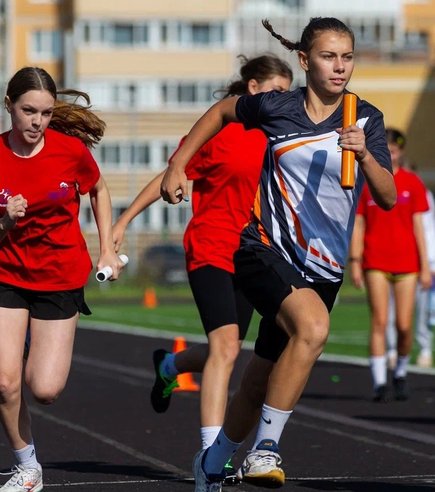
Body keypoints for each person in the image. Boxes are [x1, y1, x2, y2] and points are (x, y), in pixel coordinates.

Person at [159, 17, 396, 492]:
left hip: (323, 270)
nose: (340, 67)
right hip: (263, 248)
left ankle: (213, 460)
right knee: (313, 329)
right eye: (329, 57)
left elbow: (388, 198)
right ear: (305, 61)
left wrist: (366, 156)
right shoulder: (275, 107)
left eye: (347, 57)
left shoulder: (364, 117)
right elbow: (223, 111)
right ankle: (265, 449)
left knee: (258, 379)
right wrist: (179, 164)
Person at [111, 56, 292, 475]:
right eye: (277, 91)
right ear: (251, 88)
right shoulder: (220, 130)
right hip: (210, 246)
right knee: (226, 349)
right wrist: (124, 220)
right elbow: (170, 175)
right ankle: (212, 458)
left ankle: (168, 366)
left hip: (254, 254)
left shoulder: (279, 134)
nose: (285, 100)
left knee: (223, 350)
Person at [0, 66, 123, 492]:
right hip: (7, 276)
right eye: (28, 111)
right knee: (4, 382)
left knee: (45, 389)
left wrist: (106, 246)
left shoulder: (70, 151)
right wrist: (4, 222)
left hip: (60, 276)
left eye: (47, 113)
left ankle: (37, 344)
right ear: (9, 107)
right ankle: (27, 467)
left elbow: (99, 189)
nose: (37, 122)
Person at [350, 129, 431, 402]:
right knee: (379, 321)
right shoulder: (365, 182)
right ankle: (379, 382)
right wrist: (355, 261)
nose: (391, 153)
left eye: (395, 149)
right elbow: (358, 223)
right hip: (375, 261)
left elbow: (420, 227)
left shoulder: (413, 183)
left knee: (405, 326)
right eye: (386, 148)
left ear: (401, 152)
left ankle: (400, 373)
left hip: (408, 262)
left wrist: (427, 265)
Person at [384, 157, 435, 370]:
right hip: (396, 259)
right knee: (392, 311)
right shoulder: (387, 190)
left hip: (420, 262)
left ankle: (425, 348)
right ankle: (391, 349)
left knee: (422, 311)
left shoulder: (423, 194)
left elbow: (430, 230)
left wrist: (433, 263)